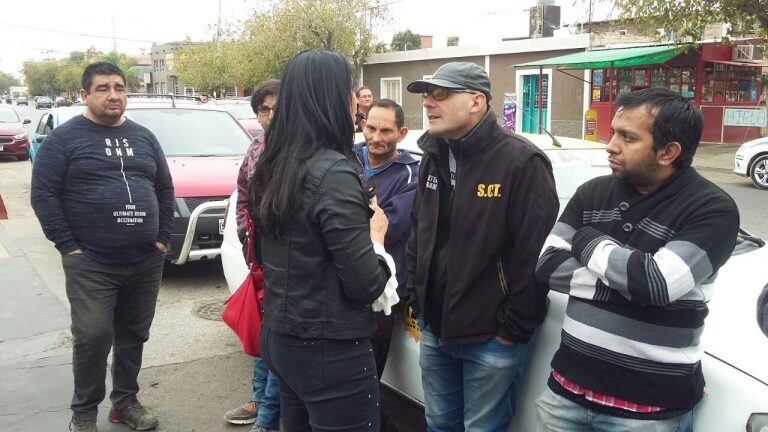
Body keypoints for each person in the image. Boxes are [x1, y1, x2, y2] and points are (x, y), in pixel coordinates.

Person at [534, 88, 740, 431]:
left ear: (668, 152)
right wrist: (630, 282)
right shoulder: (592, 192)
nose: (611, 145)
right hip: (566, 394)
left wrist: (586, 241)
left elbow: (654, 284)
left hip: (648, 412)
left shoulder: (711, 208)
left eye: (628, 137)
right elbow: (547, 266)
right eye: (613, 132)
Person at [405, 61, 559, 431]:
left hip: (491, 337)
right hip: (436, 326)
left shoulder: (522, 162)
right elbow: (419, 231)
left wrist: (511, 329)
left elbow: (534, 256)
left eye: (440, 94)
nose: (428, 102)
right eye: (427, 94)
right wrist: (417, 297)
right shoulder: (433, 156)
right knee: (439, 423)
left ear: (476, 101)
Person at [249, 50, 397, 431]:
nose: (356, 104)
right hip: (328, 349)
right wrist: (376, 239)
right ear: (334, 99)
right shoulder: (332, 171)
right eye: (350, 92)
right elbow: (365, 284)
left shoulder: (274, 163)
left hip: (282, 334)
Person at [30, 62, 174, 432]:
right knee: (93, 336)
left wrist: (162, 239)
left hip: (144, 259)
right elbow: (43, 194)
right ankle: (84, 413)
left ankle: (125, 402)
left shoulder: (144, 137)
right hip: (91, 261)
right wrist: (67, 245)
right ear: (85, 95)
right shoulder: (64, 140)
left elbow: (164, 188)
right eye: (103, 88)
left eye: (120, 88)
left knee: (134, 334)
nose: (113, 95)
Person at [223, 79, 281, 432]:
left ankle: (267, 407)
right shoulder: (256, 149)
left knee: (277, 337)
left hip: (290, 265)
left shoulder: (300, 150)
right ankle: (260, 400)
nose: (272, 116)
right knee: (263, 333)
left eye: (278, 107)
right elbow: (243, 193)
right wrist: (247, 232)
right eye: (264, 109)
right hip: (261, 261)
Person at [352, 98, 419, 377]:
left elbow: (388, 227)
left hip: (384, 286)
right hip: (343, 282)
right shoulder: (347, 156)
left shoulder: (410, 174)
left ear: (401, 134)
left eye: (386, 131)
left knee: (368, 373)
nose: (376, 138)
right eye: (371, 128)